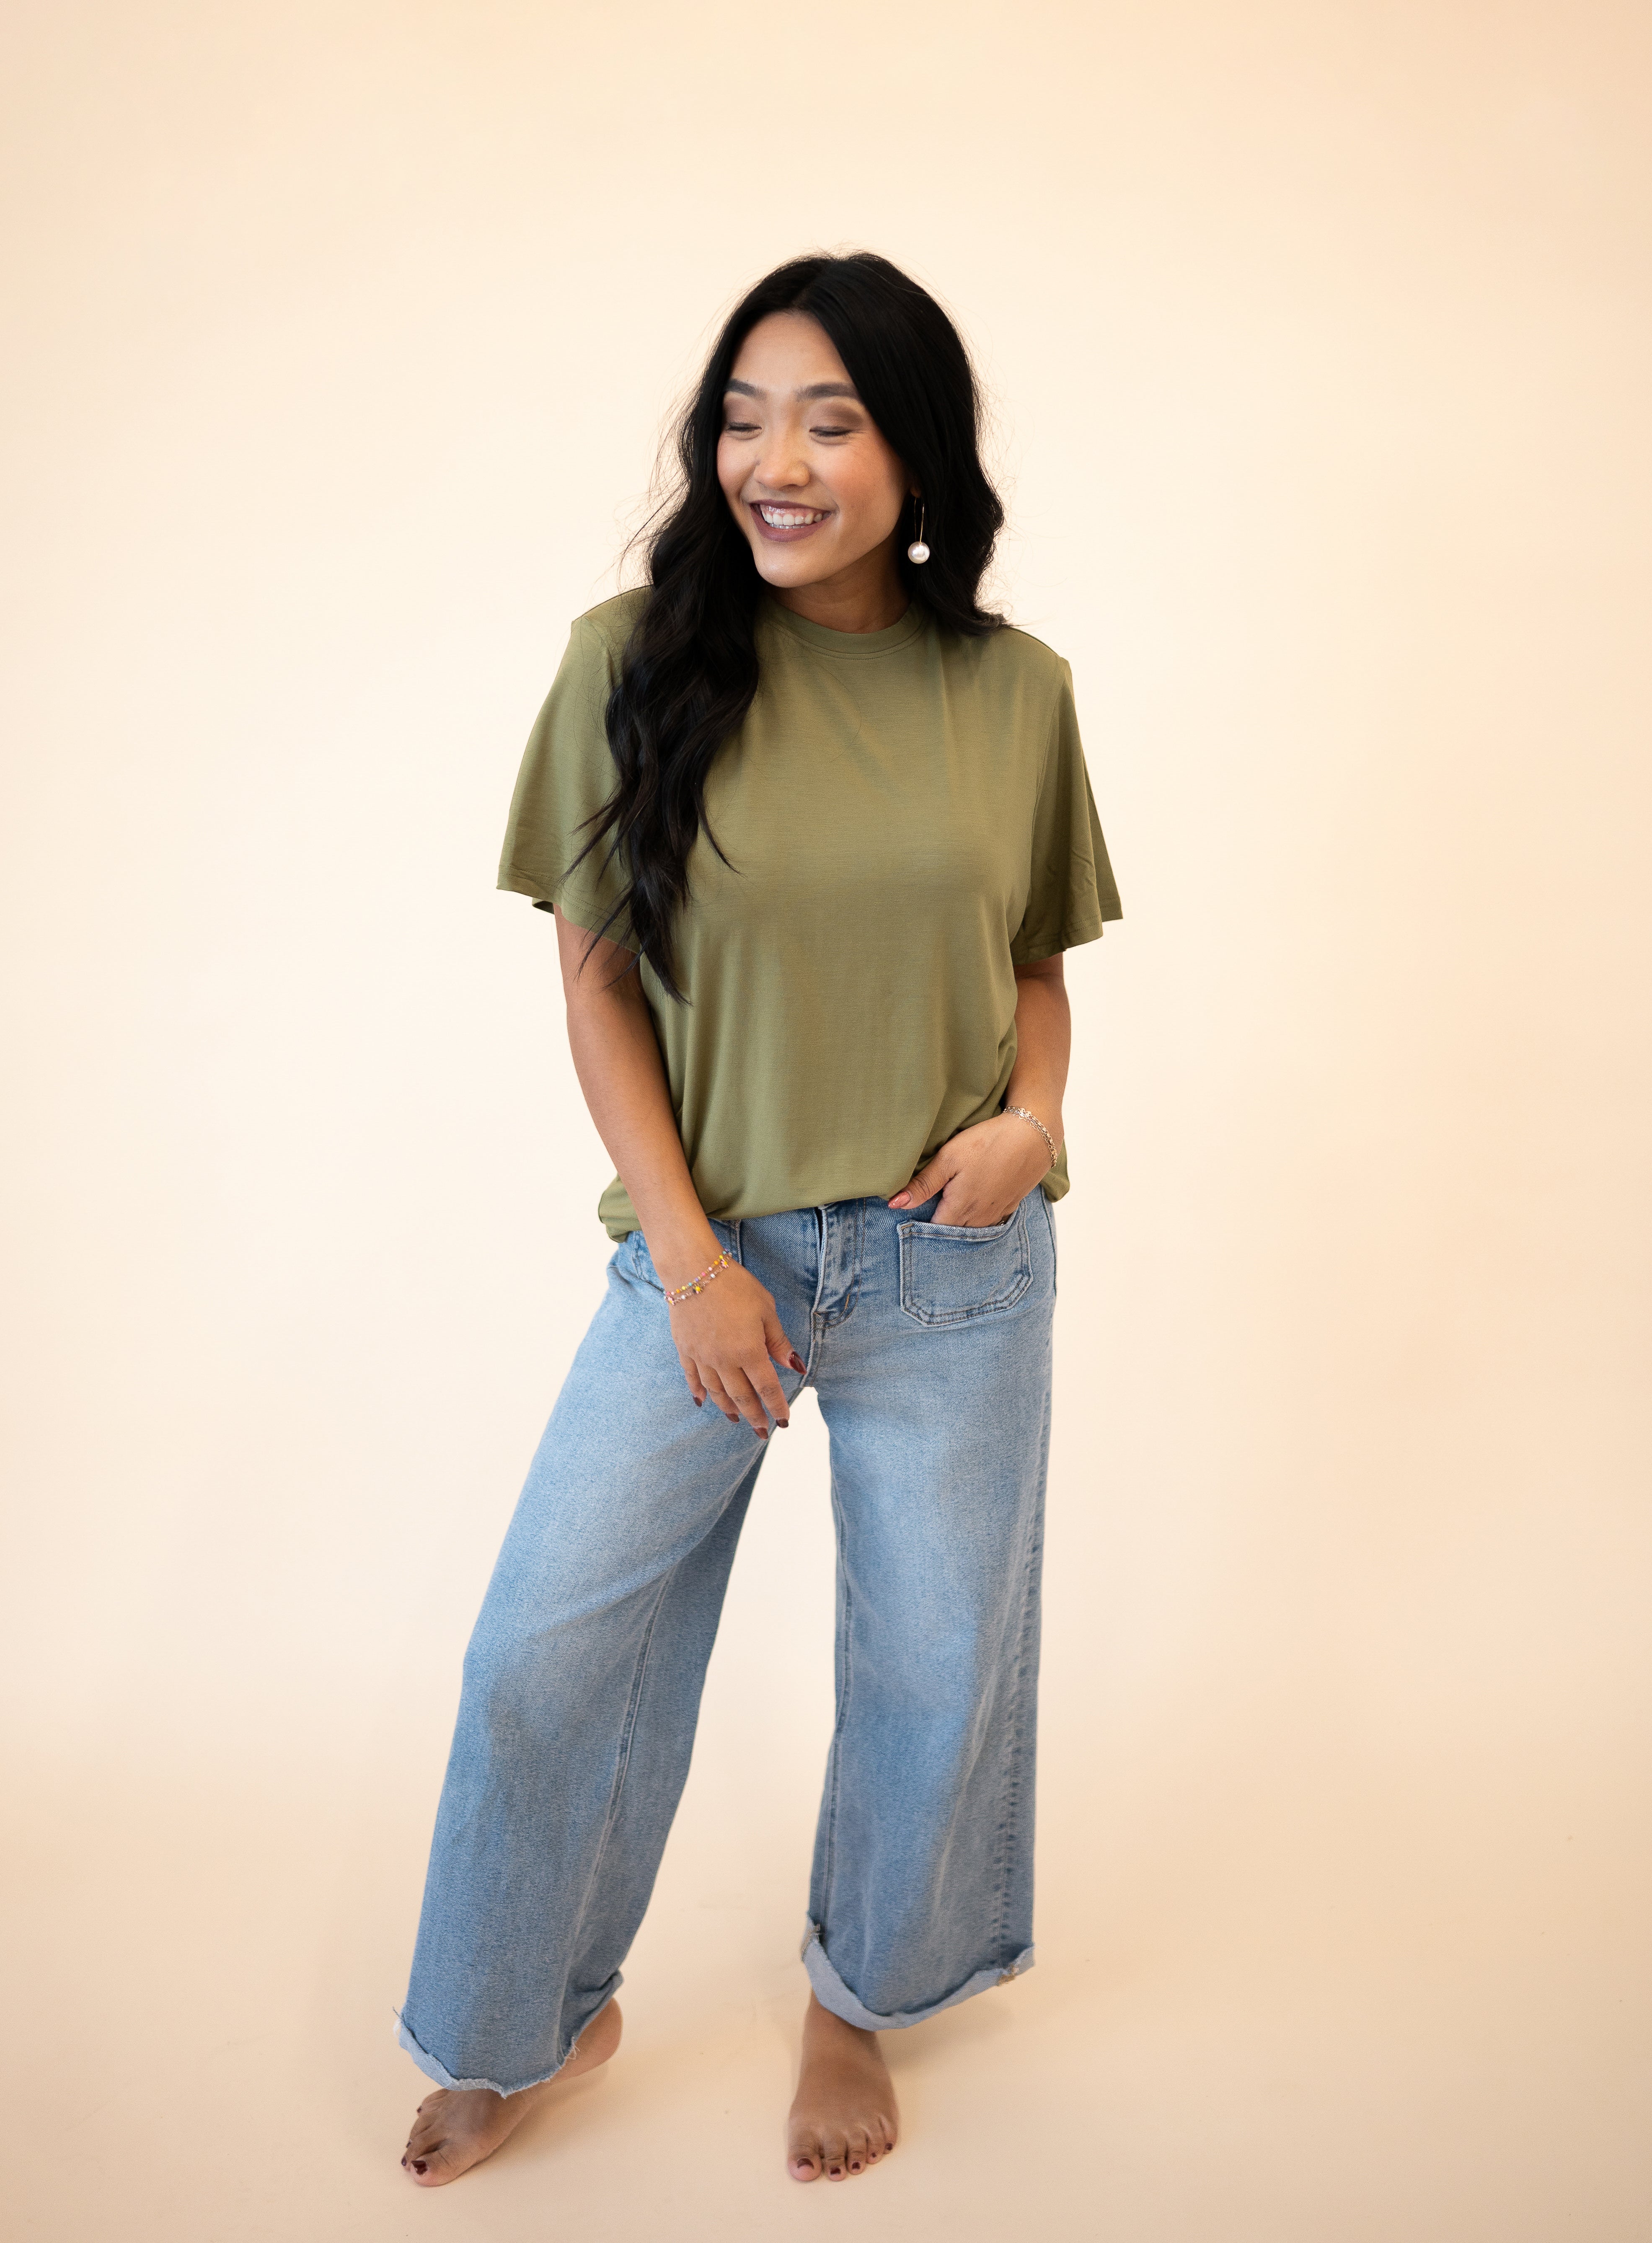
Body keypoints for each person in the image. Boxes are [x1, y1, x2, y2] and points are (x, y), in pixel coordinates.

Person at [396, 250, 1122, 2189]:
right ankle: (527, 2010)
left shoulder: (1013, 691)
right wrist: (695, 1261)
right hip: (706, 1251)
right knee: (546, 1645)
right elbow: (593, 985)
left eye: (826, 417)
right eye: (739, 416)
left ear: (914, 451)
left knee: (934, 1665)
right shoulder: (627, 658)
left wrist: (1034, 1115)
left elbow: (1037, 963)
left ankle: (852, 2000)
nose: (771, 460)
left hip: (956, 1254)